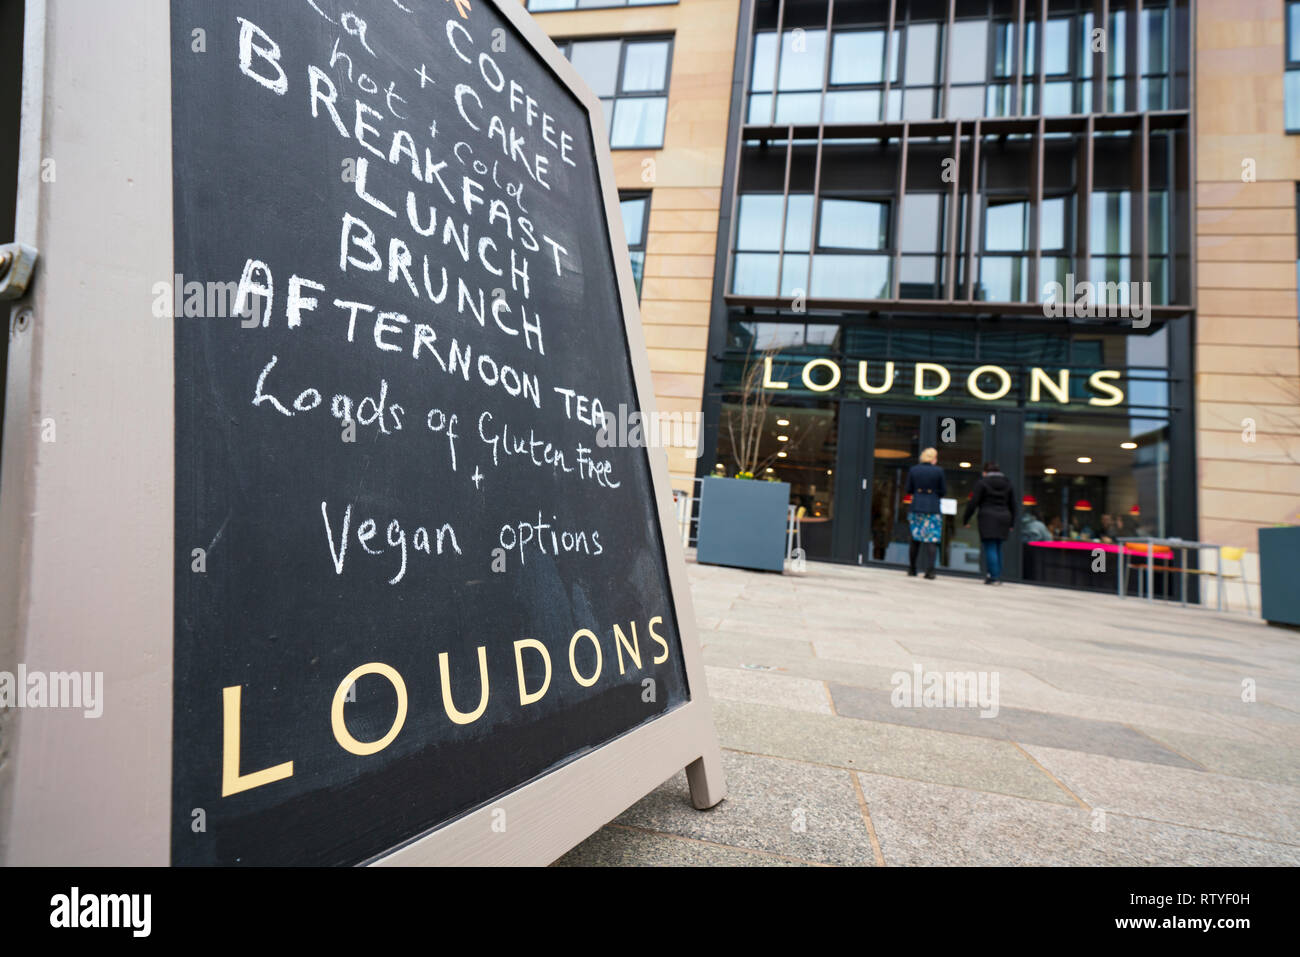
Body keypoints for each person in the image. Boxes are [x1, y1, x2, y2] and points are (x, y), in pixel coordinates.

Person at [962, 462, 1017, 585]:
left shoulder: (982, 483)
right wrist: (1012, 522)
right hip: (1004, 517)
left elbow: (973, 503)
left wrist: (966, 519)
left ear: (985, 472)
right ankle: (996, 575)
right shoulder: (1008, 483)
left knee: (990, 546)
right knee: (998, 547)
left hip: (988, 517)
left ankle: (994, 577)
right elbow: (1013, 504)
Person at [904, 447, 945, 579]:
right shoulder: (939, 471)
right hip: (933, 507)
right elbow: (943, 490)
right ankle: (930, 571)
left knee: (915, 540)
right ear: (933, 458)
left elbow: (908, 489)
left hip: (917, 506)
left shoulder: (914, 470)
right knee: (932, 540)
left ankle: (912, 568)